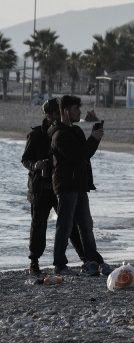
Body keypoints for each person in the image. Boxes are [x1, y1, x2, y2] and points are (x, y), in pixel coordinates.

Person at [21, 98, 86, 275]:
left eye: (60, 113)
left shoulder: (64, 132)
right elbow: (25, 160)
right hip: (40, 188)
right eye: (56, 114)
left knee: (70, 224)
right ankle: (34, 262)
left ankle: (85, 259)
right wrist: (36, 165)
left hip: (59, 186)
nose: (59, 117)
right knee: (38, 226)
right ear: (48, 115)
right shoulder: (35, 136)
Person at [49, 95, 112, 276]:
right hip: (66, 186)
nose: (80, 113)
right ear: (67, 111)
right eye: (77, 109)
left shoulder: (75, 131)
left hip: (80, 185)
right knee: (65, 225)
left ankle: (93, 260)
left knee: (86, 225)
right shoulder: (59, 135)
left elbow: (85, 154)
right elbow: (76, 156)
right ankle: (59, 264)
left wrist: (94, 138)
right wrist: (93, 138)